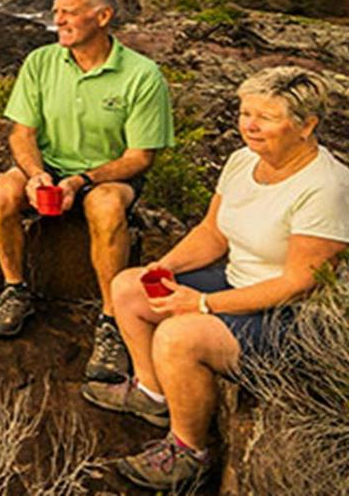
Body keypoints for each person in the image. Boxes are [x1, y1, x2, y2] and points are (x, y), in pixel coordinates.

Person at [82, 66, 349, 490]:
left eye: (267, 117)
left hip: (293, 319)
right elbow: (212, 232)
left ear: (307, 125)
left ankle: (189, 452)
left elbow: (301, 282)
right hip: (237, 282)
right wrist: (165, 267)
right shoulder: (244, 160)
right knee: (129, 287)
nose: (251, 126)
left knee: (179, 336)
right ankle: (153, 394)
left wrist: (203, 304)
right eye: (246, 113)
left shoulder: (326, 187)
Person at [0, 0, 175, 385]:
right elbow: (21, 133)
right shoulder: (40, 62)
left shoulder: (143, 75)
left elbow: (140, 157)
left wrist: (81, 180)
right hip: (49, 164)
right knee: (1, 194)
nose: (58, 19)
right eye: (56, 11)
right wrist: (37, 176)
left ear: (103, 16)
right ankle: (15, 290)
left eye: (69, 11)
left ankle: (111, 321)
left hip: (110, 173)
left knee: (103, 205)